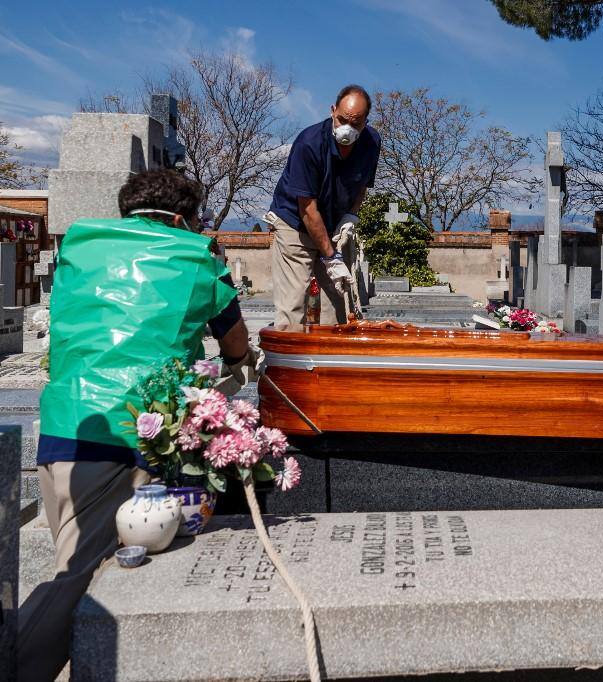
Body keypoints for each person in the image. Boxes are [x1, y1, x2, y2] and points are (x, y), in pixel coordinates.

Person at [19, 169, 260, 681]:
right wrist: (238, 366)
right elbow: (235, 343)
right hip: (129, 435)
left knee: (84, 564)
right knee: (77, 581)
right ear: (181, 217)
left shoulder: (80, 247)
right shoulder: (195, 256)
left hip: (65, 422)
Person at [264, 84, 381, 328]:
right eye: (341, 120)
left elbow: (362, 185)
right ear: (332, 111)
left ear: (366, 121)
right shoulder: (309, 144)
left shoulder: (371, 143)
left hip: (334, 224)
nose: (347, 129)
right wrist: (331, 257)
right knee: (293, 303)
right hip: (296, 223)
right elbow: (307, 209)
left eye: (356, 123)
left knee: (337, 301)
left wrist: (351, 216)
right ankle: (290, 360)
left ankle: (329, 360)